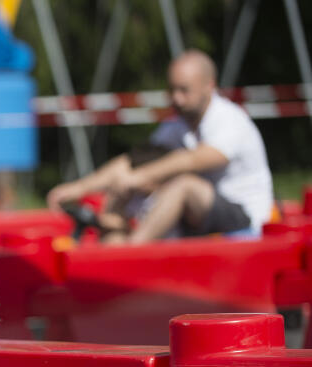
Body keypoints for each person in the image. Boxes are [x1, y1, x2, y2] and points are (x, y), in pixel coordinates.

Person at [47, 49, 274, 244]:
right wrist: (78, 188)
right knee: (128, 183)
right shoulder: (178, 124)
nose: (176, 98)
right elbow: (132, 162)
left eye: (184, 90)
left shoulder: (228, 119)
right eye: (172, 90)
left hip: (245, 218)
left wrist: (139, 177)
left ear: (209, 85)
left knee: (181, 184)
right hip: (201, 216)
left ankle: (132, 253)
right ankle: (111, 242)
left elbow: (194, 159)